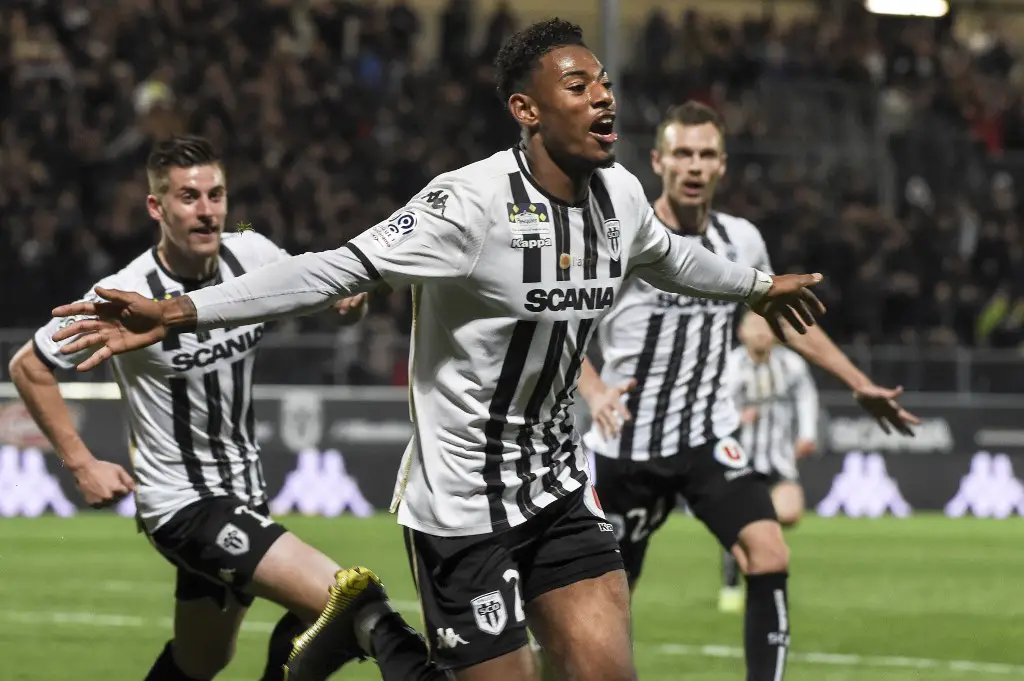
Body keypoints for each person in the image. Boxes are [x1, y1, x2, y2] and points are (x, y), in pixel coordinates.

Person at [49, 20, 826, 681]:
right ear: (526, 108)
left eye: (603, 81)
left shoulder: (620, 194)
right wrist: (182, 308)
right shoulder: (468, 204)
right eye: (578, 86)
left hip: (556, 484)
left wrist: (757, 286)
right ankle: (340, 634)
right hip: (462, 505)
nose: (603, 96)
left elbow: (673, 258)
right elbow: (335, 268)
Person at [9, 135, 436, 681]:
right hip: (183, 505)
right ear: (156, 207)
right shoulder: (123, 292)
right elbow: (28, 364)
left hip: (244, 491)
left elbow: (319, 300)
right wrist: (82, 463)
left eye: (216, 195)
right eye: (189, 197)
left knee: (204, 659)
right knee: (348, 597)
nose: (207, 211)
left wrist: (347, 308)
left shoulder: (252, 255)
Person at [578, 100, 919, 681]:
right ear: (658, 161)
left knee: (769, 553)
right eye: (682, 153)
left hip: (707, 441)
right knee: (598, 614)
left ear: (722, 166)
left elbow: (788, 322)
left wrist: (858, 382)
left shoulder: (742, 242)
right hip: (623, 449)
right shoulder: (624, 240)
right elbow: (564, 325)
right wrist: (594, 391)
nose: (694, 165)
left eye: (706, 154)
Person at [718, 310, 819, 611]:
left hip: (778, 457)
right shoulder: (730, 366)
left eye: (766, 325)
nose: (762, 332)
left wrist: (807, 434)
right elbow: (711, 406)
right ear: (741, 332)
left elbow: (807, 397)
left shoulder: (790, 364)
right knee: (740, 522)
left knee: (789, 513)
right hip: (739, 458)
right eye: (755, 326)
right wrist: (737, 418)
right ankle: (731, 583)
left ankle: (758, 546)